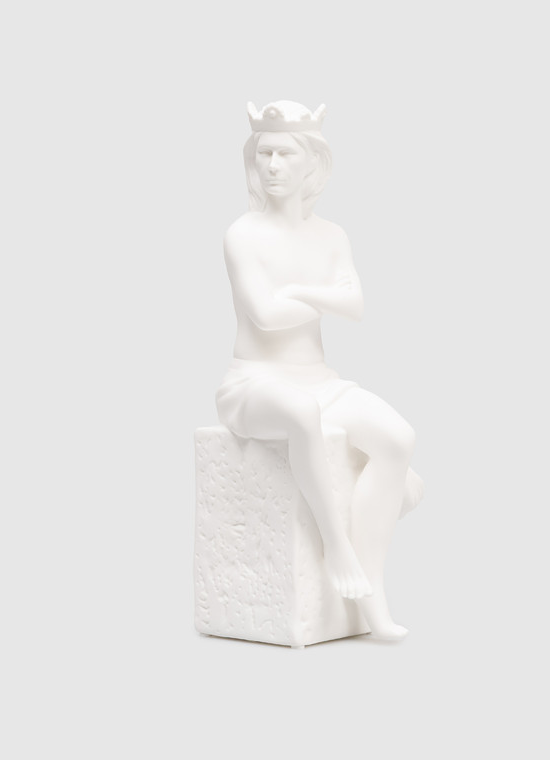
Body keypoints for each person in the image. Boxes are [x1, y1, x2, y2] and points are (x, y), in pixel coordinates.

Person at [216, 100, 423, 640]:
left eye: (285, 154)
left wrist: (302, 292)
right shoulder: (242, 234)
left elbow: (357, 308)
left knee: (398, 439)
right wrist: (328, 294)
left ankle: (374, 597)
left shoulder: (332, 236)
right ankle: (337, 546)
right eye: (264, 153)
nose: (273, 165)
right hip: (254, 382)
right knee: (301, 412)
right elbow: (266, 315)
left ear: (313, 162)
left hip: (321, 379)